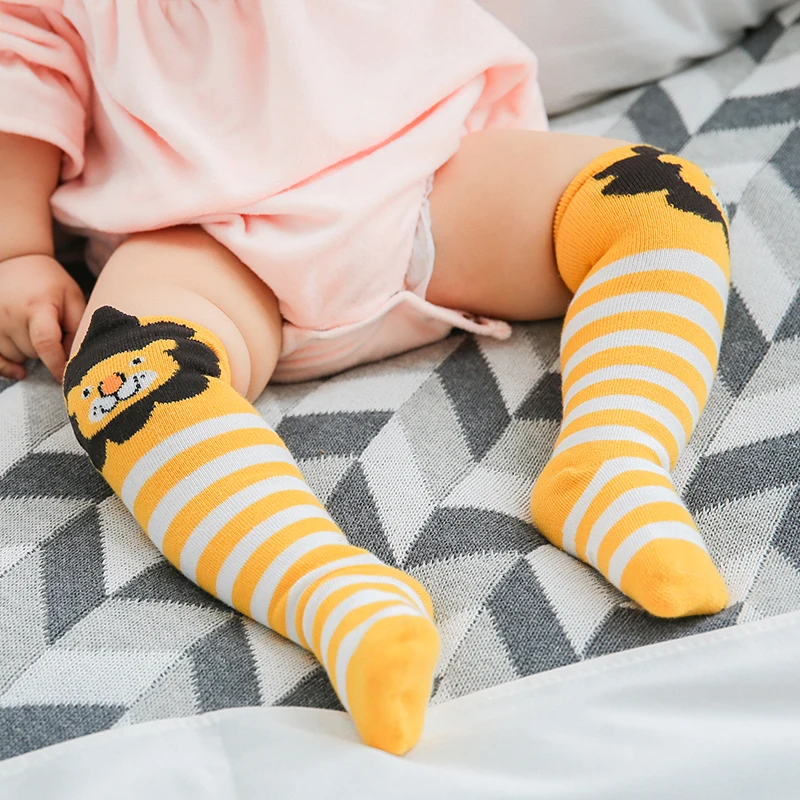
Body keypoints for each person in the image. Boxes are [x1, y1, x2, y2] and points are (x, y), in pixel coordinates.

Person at [0, 0, 730, 755]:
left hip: (430, 170)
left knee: (659, 202)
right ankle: (326, 590)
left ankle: (614, 460)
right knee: (119, 374)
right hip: (203, 240)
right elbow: (21, 67)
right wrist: (18, 252)